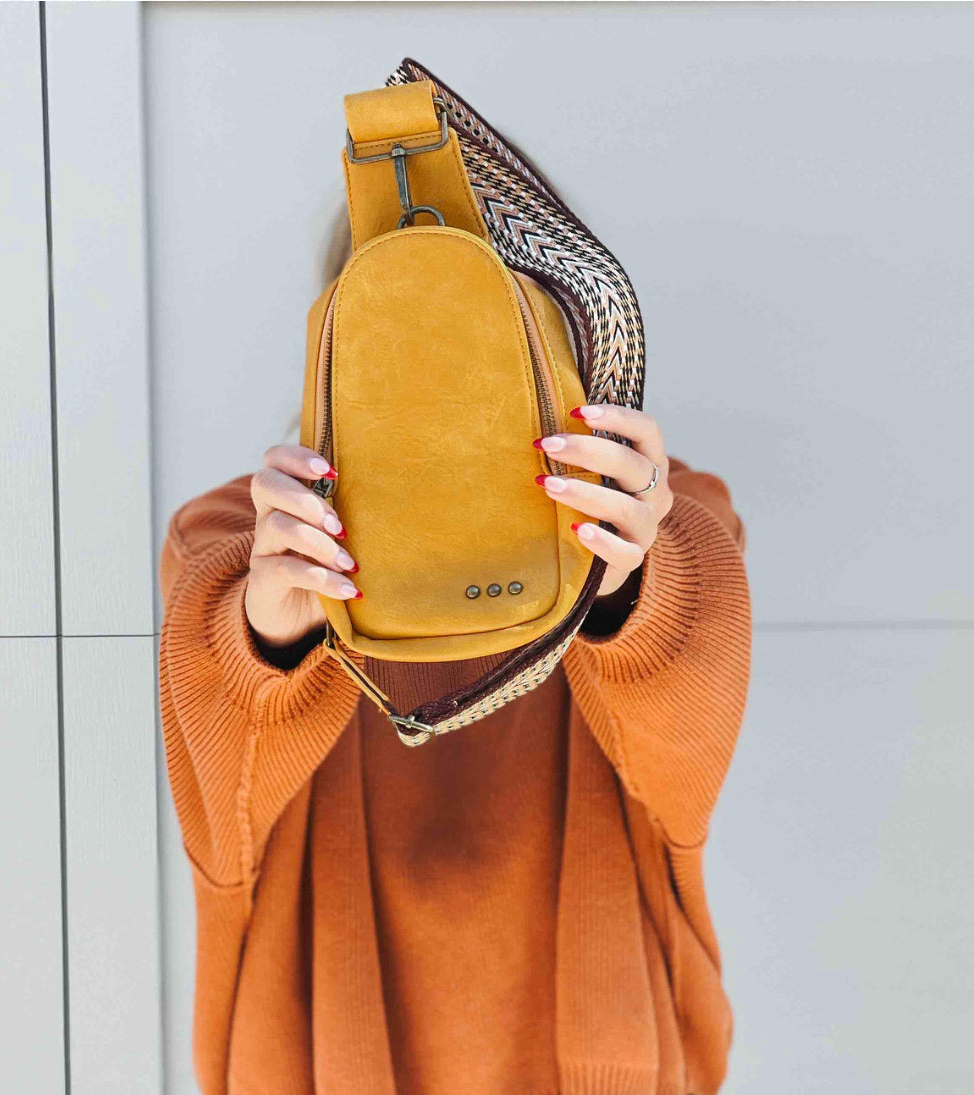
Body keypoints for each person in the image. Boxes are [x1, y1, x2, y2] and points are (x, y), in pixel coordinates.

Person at [158, 206, 753, 1095]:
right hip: (326, 1057)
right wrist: (271, 631)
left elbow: (680, 769)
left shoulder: (660, 515)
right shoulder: (242, 537)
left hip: (597, 1053)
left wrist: (627, 578)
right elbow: (226, 820)